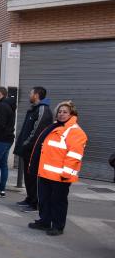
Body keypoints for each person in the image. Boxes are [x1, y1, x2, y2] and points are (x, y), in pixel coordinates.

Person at [28, 101, 87, 236]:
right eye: (60, 111)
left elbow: (74, 155)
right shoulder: (55, 127)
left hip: (60, 175)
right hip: (45, 172)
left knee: (58, 202)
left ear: (72, 114)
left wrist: (66, 173)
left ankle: (58, 226)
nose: (61, 114)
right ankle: (45, 221)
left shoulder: (75, 132)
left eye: (65, 112)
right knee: (44, 199)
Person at [14, 87, 53, 211]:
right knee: (28, 176)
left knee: (33, 177)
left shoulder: (42, 110)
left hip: (33, 150)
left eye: (30, 93)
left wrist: (26, 143)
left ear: (36, 95)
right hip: (27, 150)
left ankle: (35, 202)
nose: (29, 95)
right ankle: (30, 198)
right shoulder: (34, 109)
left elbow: (37, 131)